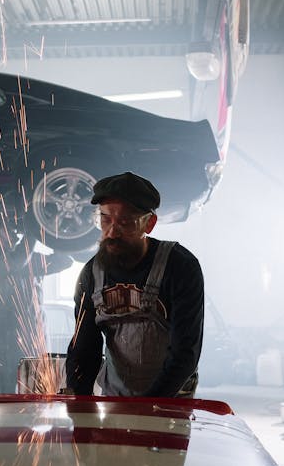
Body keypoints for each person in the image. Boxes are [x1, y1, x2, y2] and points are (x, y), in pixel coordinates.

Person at [65, 171, 204, 398]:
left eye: (125, 222)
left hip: (170, 402)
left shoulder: (180, 267)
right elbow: (83, 349)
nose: (112, 231)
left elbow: (185, 353)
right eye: (105, 219)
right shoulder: (91, 274)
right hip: (114, 400)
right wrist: (79, 405)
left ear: (149, 223)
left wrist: (148, 407)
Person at [0, 219, 72, 393]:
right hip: (6, 338)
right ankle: (7, 419)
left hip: (34, 334)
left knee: (36, 390)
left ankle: (34, 420)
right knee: (8, 391)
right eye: (7, 230)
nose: (13, 233)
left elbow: (65, 261)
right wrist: (32, 230)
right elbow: (17, 262)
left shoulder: (30, 261)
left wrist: (56, 237)